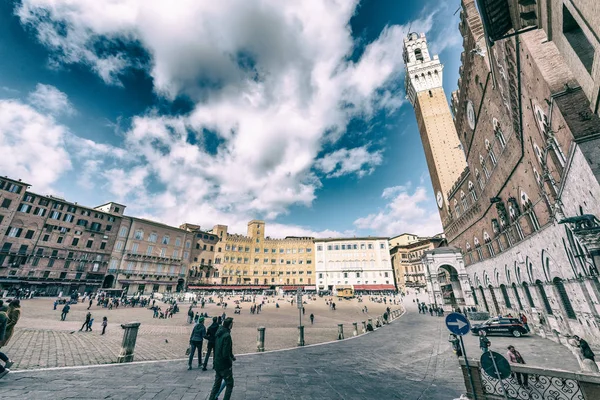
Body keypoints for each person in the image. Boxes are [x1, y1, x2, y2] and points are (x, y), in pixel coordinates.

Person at [208, 317, 235, 400]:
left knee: (217, 384)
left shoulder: (219, 333)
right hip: (224, 365)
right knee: (230, 384)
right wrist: (229, 362)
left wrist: (232, 356)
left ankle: (211, 398)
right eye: (232, 323)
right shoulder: (227, 336)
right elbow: (225, 353)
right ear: (230, 325)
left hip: (217, 362)